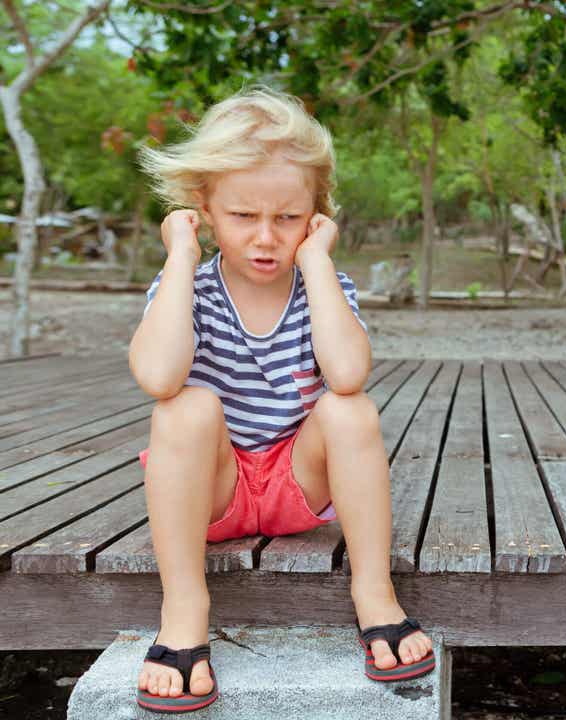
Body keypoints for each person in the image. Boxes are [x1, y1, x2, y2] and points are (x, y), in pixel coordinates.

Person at [129, 85, 434, 713]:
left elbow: (347, 374)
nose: (266, 238)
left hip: (298, 484)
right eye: (243, 216)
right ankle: (184, 607)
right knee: (184, 405)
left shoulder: (326, 284)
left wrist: (319, 265)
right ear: (203, 208)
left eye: (288, 218)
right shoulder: (186, 283)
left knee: (350, 409)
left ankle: (373, 591)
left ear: (316, 214)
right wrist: (181, 256)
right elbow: (159, 377)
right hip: (215, 489)